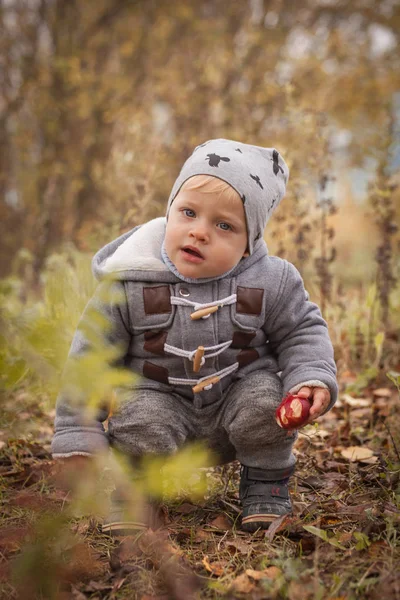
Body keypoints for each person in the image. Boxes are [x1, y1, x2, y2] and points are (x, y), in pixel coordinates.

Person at [51, 139, 337, 533]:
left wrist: (310, 378)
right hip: (160, 399)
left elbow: (302, 330)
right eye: (188, 213)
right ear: (169, 211)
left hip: (237, 399)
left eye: (224, 225)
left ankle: (266, 484)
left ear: (248, 244)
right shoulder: (130, 281)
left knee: (265, 401)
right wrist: (76, 429)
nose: (199, 232)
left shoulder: (272, 280)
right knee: (139, 416)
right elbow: (91, 356)